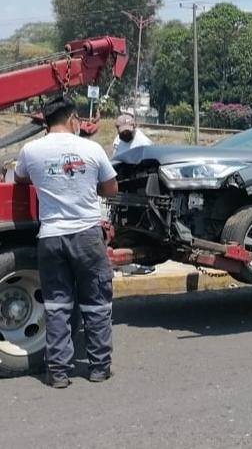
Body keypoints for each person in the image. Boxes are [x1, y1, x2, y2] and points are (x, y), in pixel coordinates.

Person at [14, 95, 118, 388]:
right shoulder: (91, 148)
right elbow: (111, 188)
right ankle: (99, 367)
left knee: (57, 305)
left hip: (50, 238)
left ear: (46, 122)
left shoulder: (30, 150)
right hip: (86, 236)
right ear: (73, 119)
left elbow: (21, 179)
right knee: (96, 303)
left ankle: (58, 372)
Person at [111, 114, 155, 275]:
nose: (125, 134)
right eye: (122, 131)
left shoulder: (143, 143)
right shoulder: (118, 141)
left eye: (128, 131)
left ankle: (143, 260)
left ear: (135, 127)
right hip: (125, 184)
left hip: (141, 186)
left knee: (140, 222)